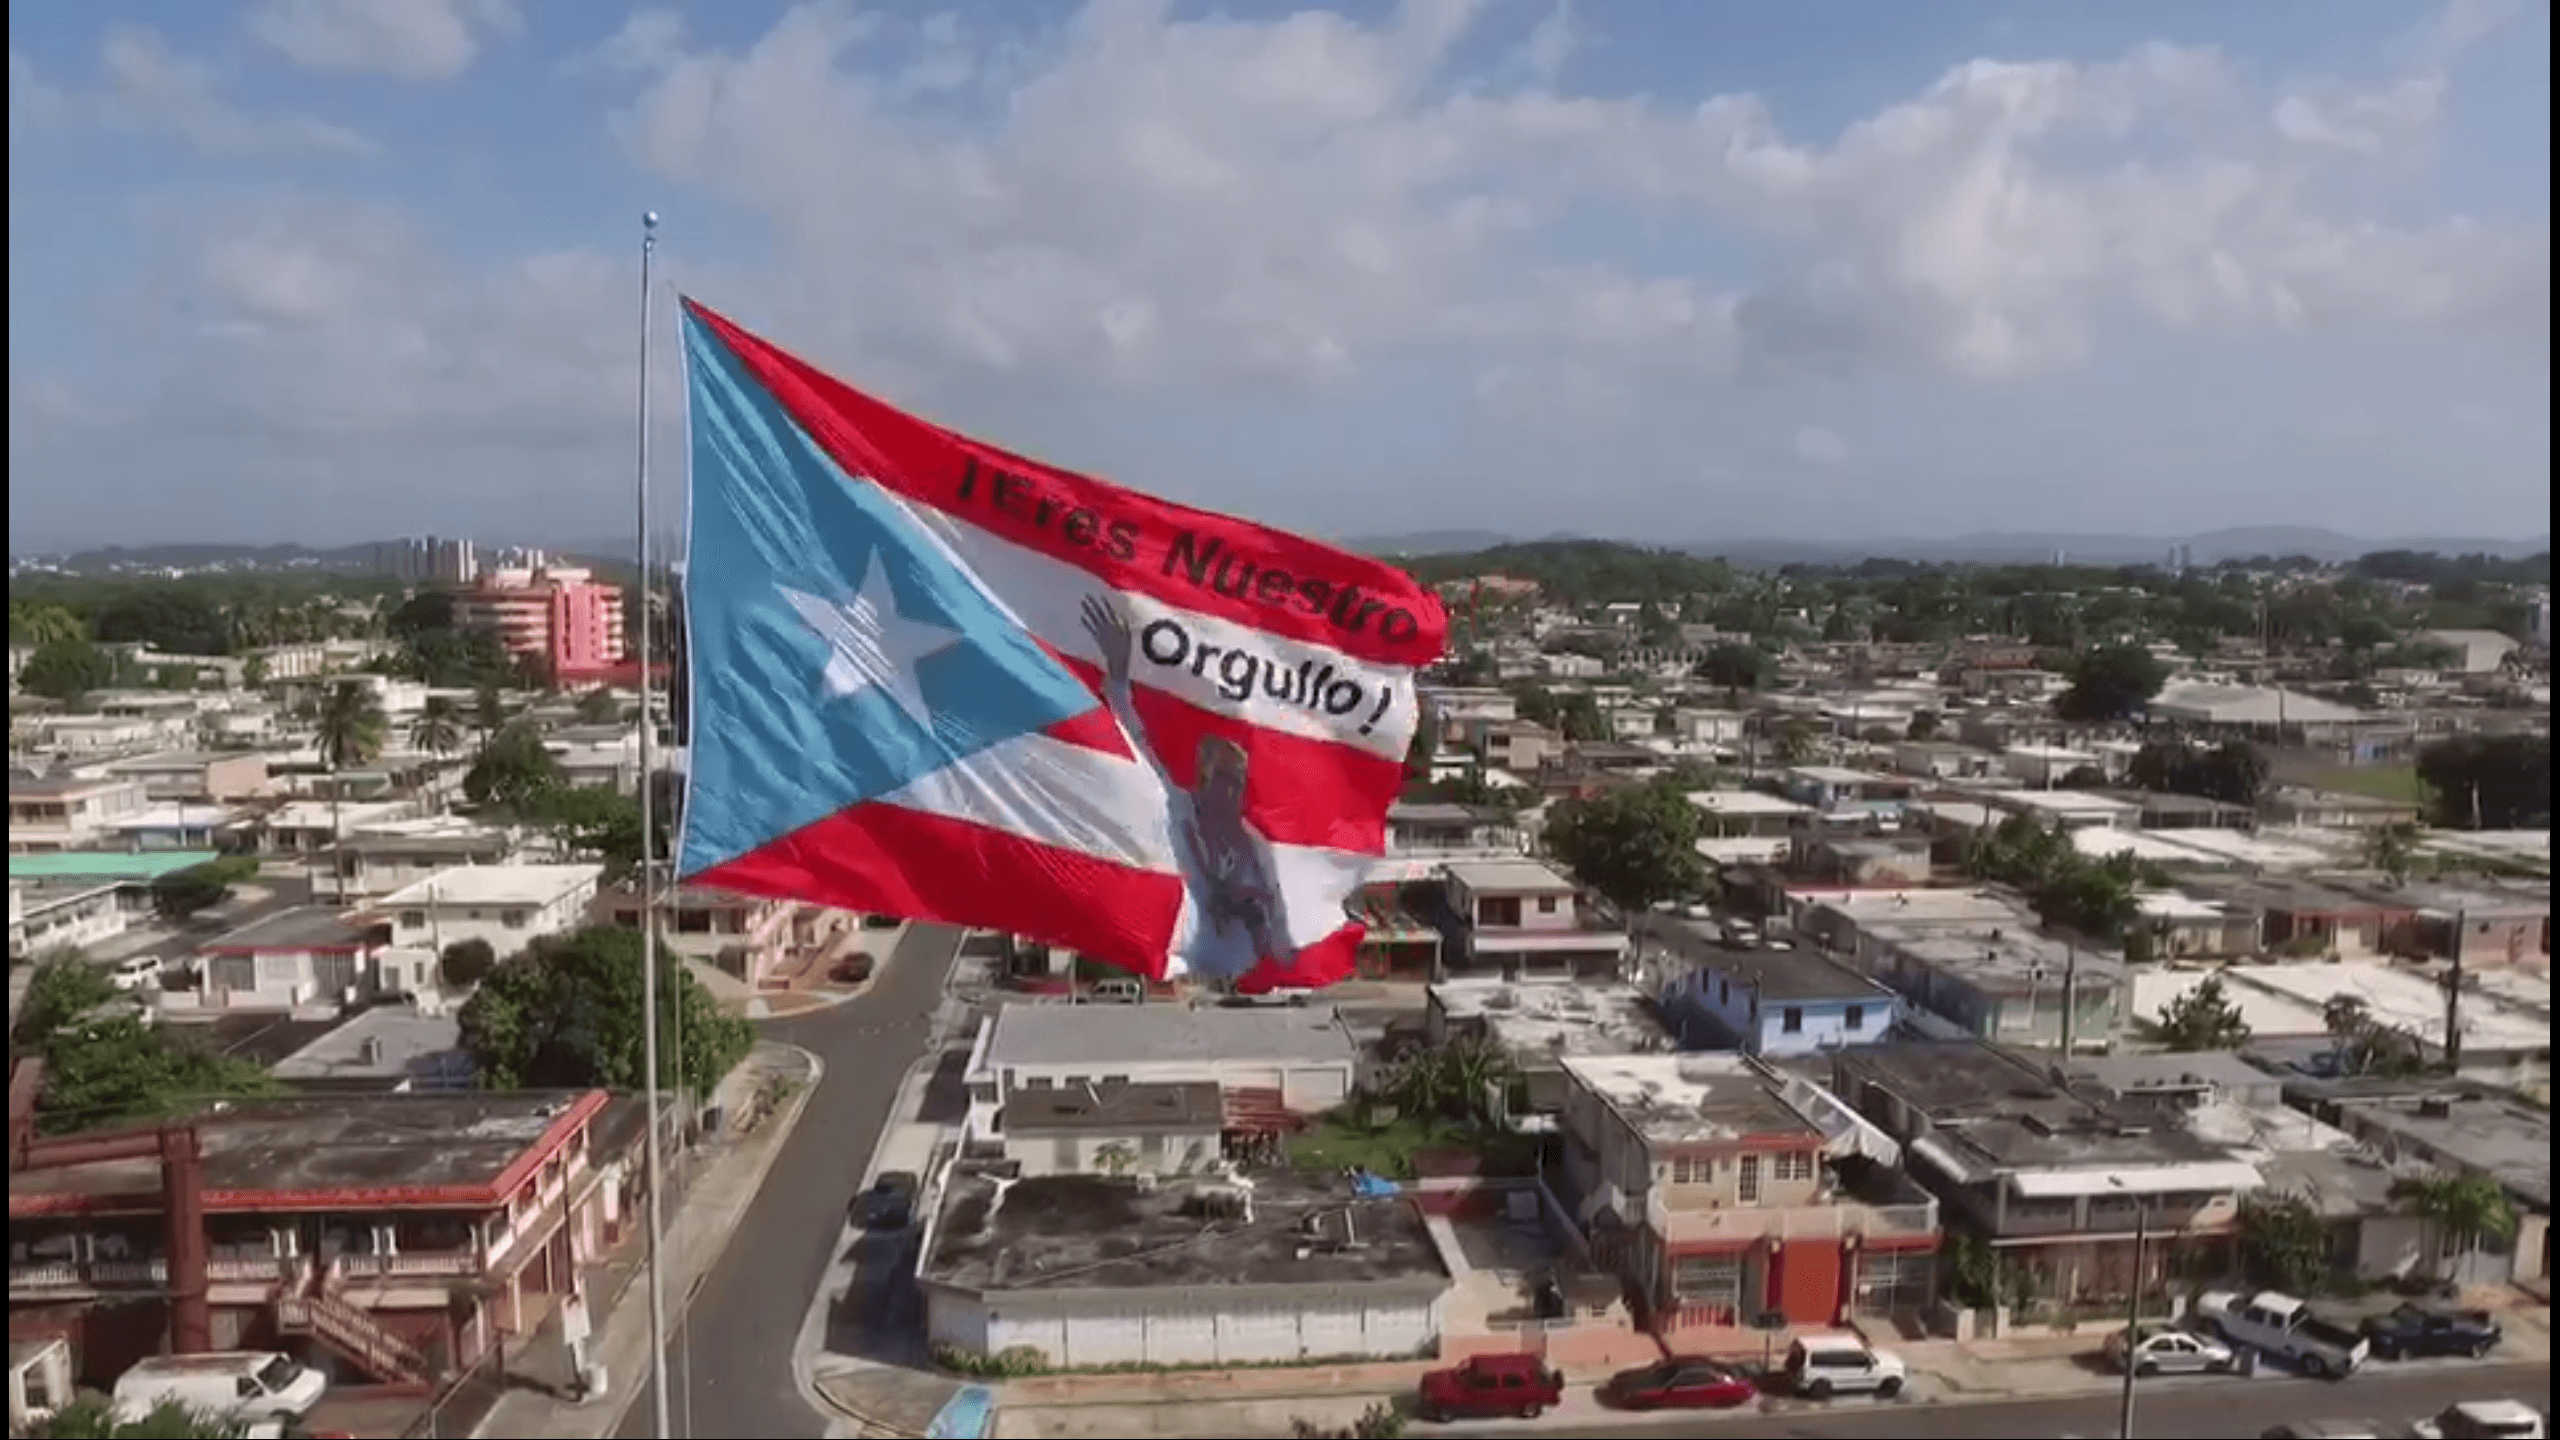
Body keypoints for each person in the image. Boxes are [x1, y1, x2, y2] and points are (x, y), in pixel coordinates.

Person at [1081, 596, 1290, 979]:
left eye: (1236, 779)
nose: (1229, 789)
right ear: (1205, 779)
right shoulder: (1178, 811)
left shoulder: (1257, 848)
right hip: (1170, 952)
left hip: (1233, 979)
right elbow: (1133, 742)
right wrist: (1118, 676)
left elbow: (1282, 937)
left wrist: (1252, 913)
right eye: (1221, 777)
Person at [559, 1286, 593, 1402]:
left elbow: (571, 1304)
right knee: (579, 1362)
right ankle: (582, 1389)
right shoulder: (575, 1313)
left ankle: (581, 1388)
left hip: (576, 1335)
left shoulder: (574, 1312)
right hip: (576, 1335)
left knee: (579, 1362)